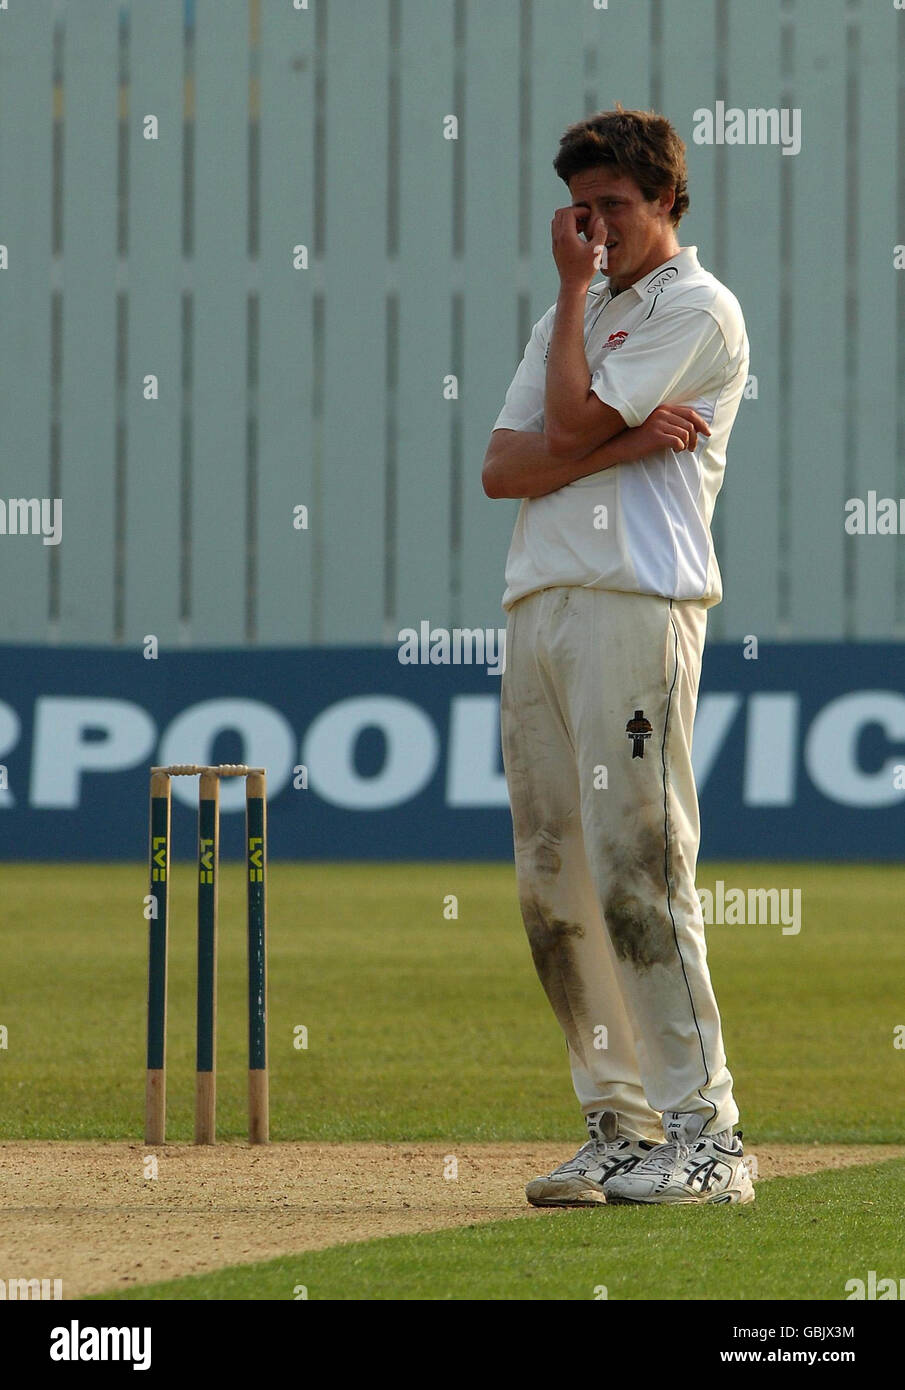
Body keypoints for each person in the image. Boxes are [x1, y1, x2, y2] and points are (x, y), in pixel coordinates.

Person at [482, 107, 753, 1206]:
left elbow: (567, 417)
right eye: (579, 209)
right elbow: (504, 466)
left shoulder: (695, 305)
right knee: (553, 878)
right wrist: (621, 432)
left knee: (639, 861)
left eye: (613, 208)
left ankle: (707, 1136)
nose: (592, 230)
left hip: (635, 603)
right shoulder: (584, 310)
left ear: (665, 204)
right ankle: (618, 1124)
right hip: (538, 600)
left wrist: (592, 405)